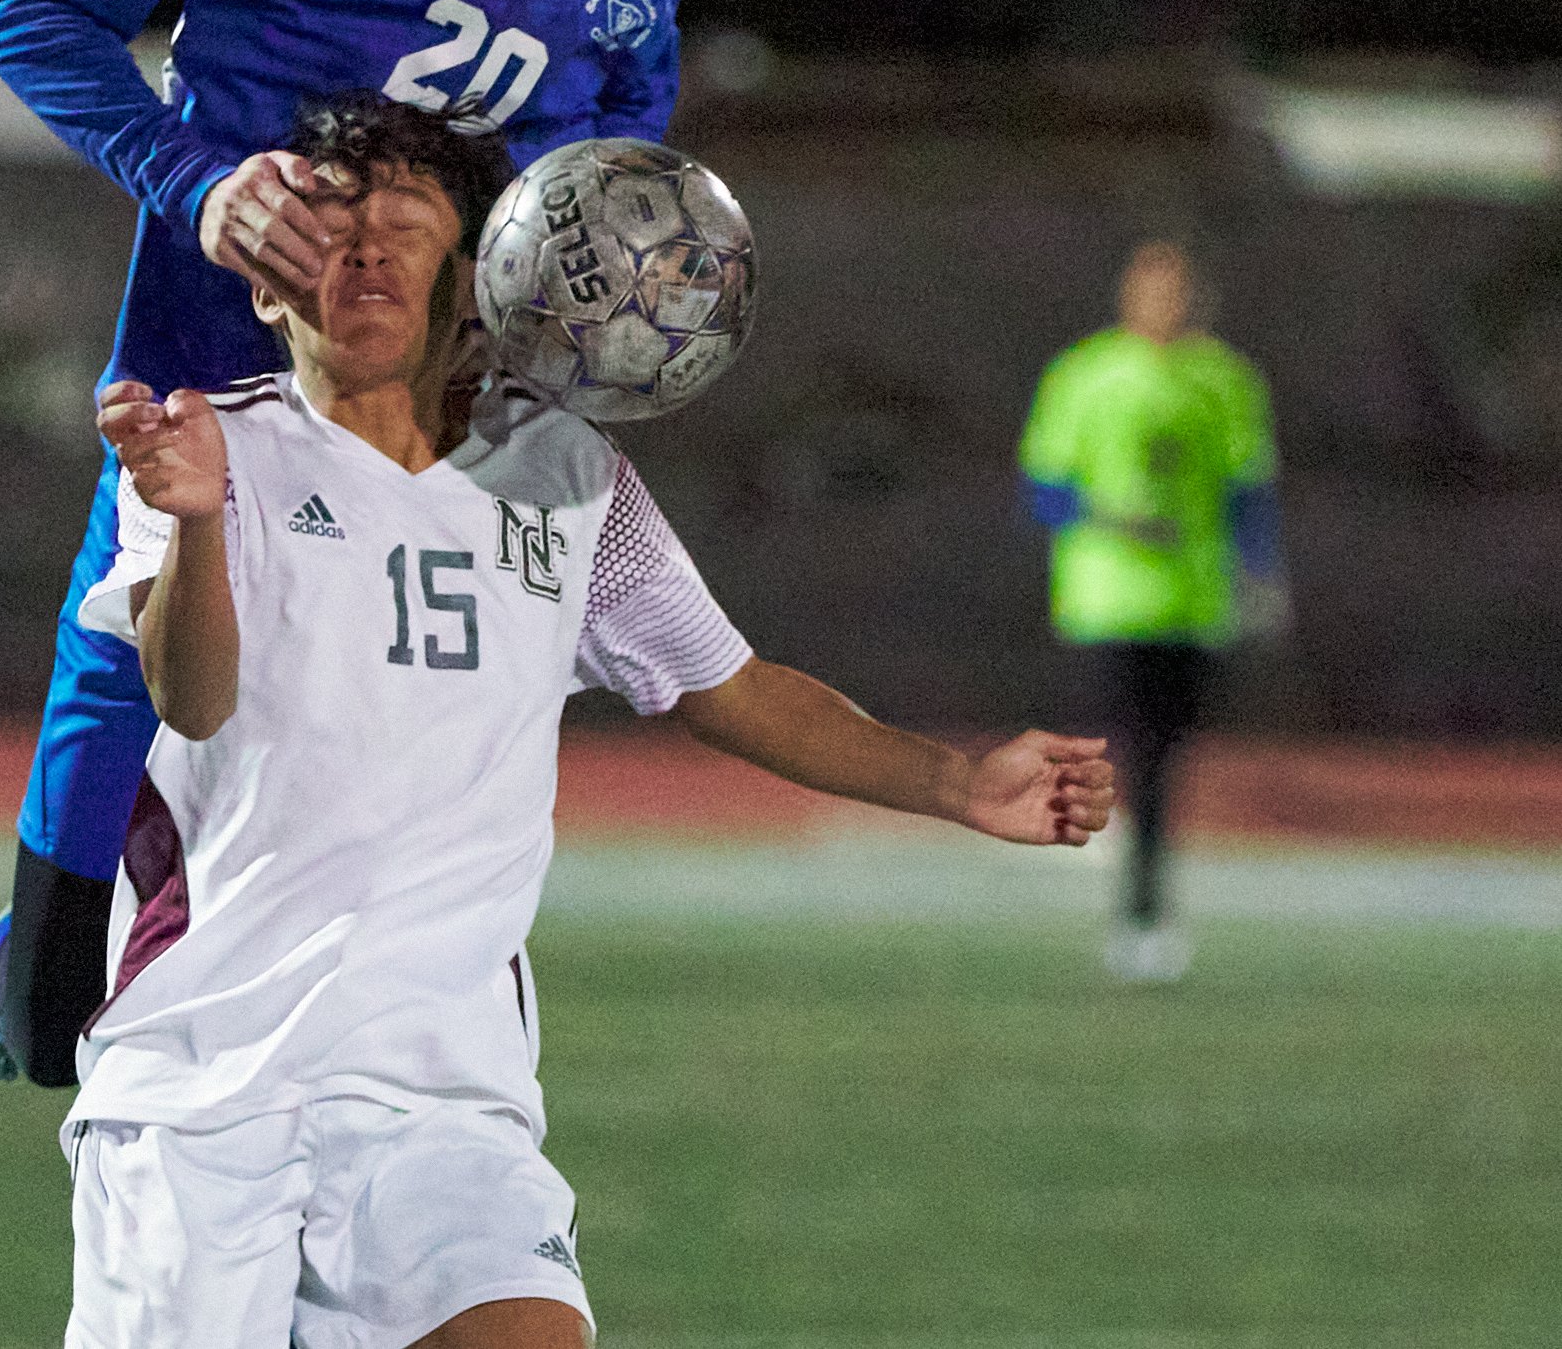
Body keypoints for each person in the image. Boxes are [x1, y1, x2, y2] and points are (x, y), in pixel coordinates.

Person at [70, 90, 1113, 1348]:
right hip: (202, 1082)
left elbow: (724, 683)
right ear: (262, 285)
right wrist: (189, 517)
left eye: (406, 224)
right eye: (329, 225)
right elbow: (192, 695)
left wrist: (952, 783)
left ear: (478, 284)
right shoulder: (205, 450)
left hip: (440, 1099)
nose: (364, 249)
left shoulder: (565, 479)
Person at [0, 0, 777, 1086]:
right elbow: (39, 19)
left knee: (360, 785)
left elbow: (602, 149)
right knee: (63, 983)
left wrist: (616, 290)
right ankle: (20, 965)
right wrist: (197, 186)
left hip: (440, 404)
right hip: (219, 361)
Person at [1019, 239, 1283, 982]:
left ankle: (1143, 900)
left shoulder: (1225, 381)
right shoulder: (1086, 374)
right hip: (1108, 601)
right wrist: (1113, 520)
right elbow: (1044, 489)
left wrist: (1261, 576)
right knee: (1122, 750)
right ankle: (1135, 899)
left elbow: (1247, 490)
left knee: (1164, 757)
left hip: (1193, 602)